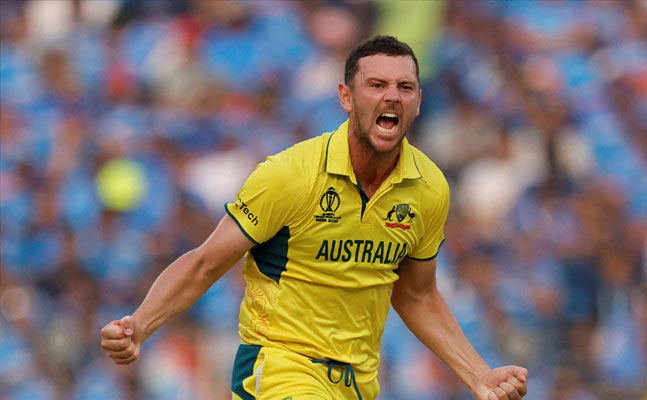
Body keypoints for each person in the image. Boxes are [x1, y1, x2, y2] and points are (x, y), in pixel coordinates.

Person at [100, 35, 528, 400]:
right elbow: (205, 262)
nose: (392, 96)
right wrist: (140, 324)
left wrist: (477, 372)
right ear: (346, 96)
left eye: (405, 87)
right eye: (376, 84)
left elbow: (416, 295)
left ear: (418, 101)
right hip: (278, 367)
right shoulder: (291, 175)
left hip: (358, 383)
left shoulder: (430, 188)